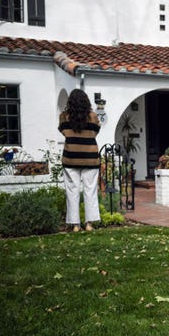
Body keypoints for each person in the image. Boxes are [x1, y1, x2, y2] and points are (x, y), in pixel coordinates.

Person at [59, 89, 101, 232]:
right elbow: (95, 132)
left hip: (71, 158)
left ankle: (75, 225)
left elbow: (64, 132)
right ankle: (89, 224)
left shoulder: (64, 117)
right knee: (90, 191)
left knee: (72, 191)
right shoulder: (93, 117)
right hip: (90, 159)